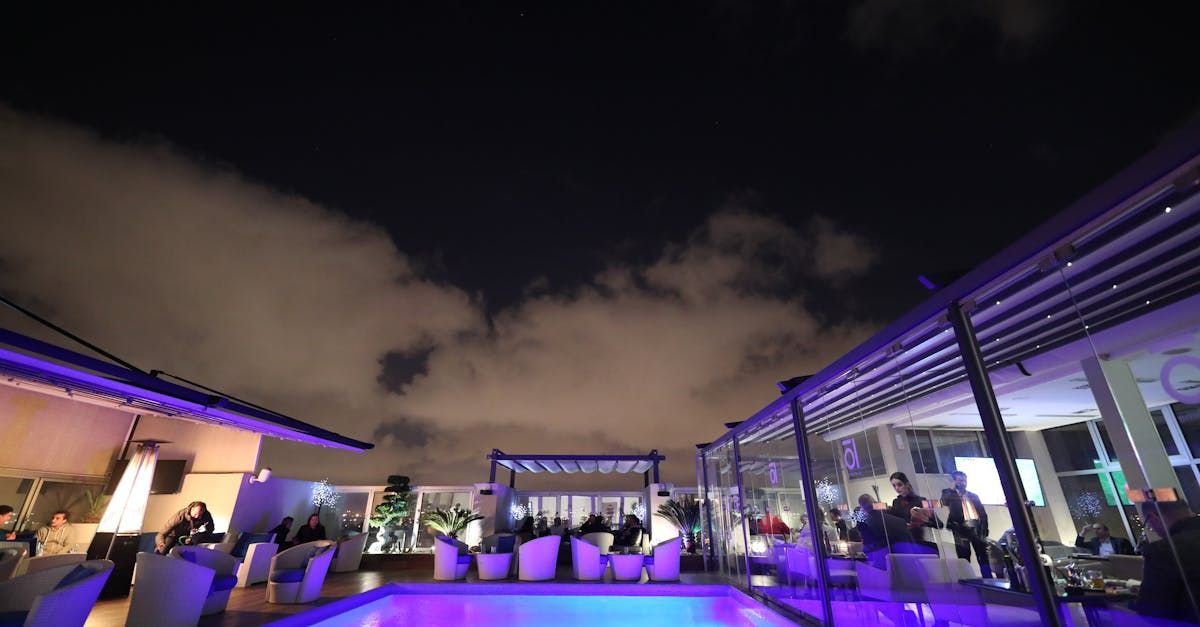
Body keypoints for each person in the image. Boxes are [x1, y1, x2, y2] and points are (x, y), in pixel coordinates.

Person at [1137, 499, 1200, 622]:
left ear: (1153, 518)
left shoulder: (1162, 551)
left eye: (1149, 525)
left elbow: (1152, 611)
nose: (1152, 529)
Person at [942, 471, 993, 577]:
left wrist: (984, 529)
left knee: (983, 555)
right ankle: (967, 580)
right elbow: (944, 501)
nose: (963, 483)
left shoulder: (973, 496)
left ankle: (988, 579)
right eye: (960, 480)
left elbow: (983, 514)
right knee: (964, 557)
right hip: (960, 528)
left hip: (976, 527)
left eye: (964, 480)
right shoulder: (950, 493)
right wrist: (952, 488)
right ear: (954, 481)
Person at [856, 493, 920, 568]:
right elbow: (913, 546)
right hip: (910, 566)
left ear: (863, 508)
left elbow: (868, 549)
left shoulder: (866, 524)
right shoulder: (900, 521)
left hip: (884, 567)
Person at [888, 472, 941, 547]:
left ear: (906, 484)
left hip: (922, 541)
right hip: (906, 542)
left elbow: (938, 524)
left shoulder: (922, 500)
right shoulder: (896, 502)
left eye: (899, 484)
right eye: (894, 486)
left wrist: (922, 519)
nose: (897, 488)